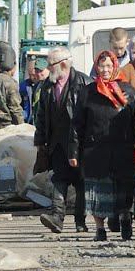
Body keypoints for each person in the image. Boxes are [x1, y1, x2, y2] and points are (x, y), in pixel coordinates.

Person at [74, 50, 135, 242]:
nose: (105, 70)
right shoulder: (88, 91)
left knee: (123, 189)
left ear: (115, 66)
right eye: (101, 66)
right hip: (95, 151)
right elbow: (78, 123)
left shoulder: (128, 91)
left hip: (123, 149)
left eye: (109, 66)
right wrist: (75, 151)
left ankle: (125, 218)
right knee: (97, 191)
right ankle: (99, 228)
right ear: (96, 67)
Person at [34, 48, 91, 233]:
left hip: (79, 143)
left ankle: (80, 221)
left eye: (51, 65)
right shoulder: (47, 86)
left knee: (81, 182)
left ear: (63, 64)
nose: (48, 69)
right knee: (59, 179)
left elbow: (91, 116)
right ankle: (57, 218)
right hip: (57, 142)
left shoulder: (84, 82)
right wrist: (40, 141)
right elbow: (41, 115)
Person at [20, 58, 49, 125]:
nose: (38, 74)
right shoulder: (37, 85)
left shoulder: (52, 85)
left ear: (48, 69)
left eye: (41, 71)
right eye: (37, 71)